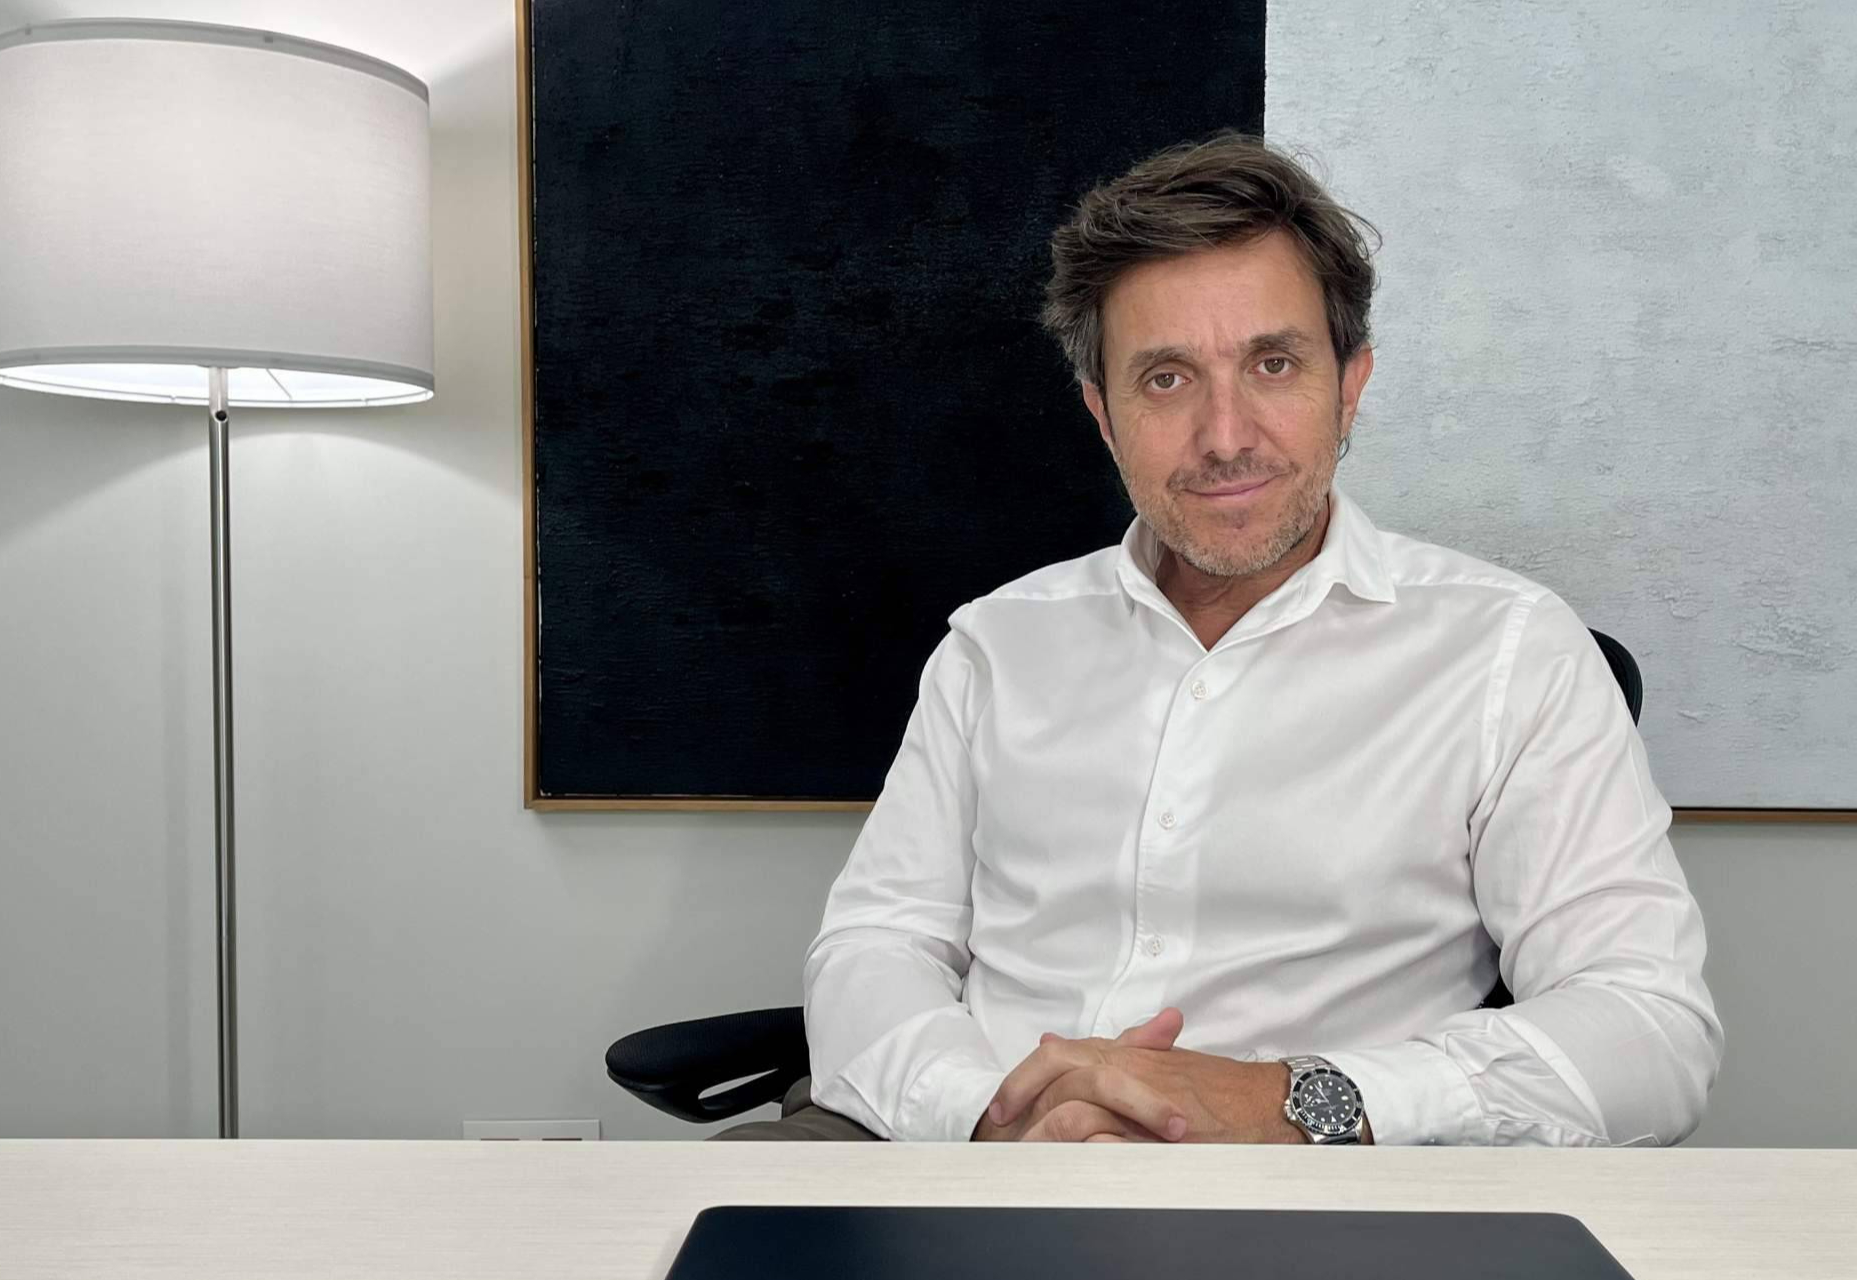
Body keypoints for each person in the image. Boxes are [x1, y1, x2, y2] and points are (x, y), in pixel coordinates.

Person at [712, 130, 1722, 1146]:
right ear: (1102, 415)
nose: (1226, 435)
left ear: (1351, 384)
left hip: (1315, 1192)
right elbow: (876, 945)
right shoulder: (996, 644)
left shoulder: (1511, 654)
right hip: (960, 1157)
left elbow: (1650, 1030)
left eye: (1273, 364)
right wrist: (987, 1114)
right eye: (1166, 379)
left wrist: (1287, 1102)